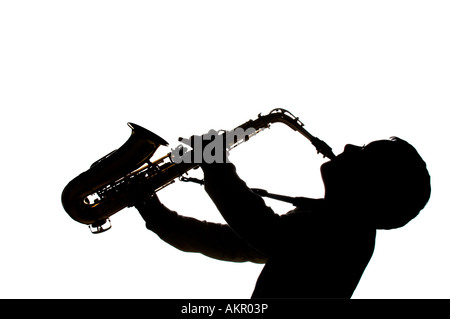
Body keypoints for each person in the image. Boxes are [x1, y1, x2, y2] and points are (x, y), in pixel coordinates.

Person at [133, 135, 431, 298]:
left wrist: (216, 165)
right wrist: (156, 214)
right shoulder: (327, 222)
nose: (349, 146)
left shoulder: (346, 233)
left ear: (373, 186)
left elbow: (262, 230)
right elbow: (233, 243)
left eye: (365, 152)